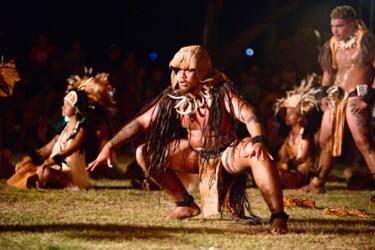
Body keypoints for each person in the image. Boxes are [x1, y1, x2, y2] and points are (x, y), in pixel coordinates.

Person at [88, 45, 288, 234]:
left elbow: (247, 113)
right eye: (177, 69)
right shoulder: (174, 98)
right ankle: (185, 205)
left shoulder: (221, 92)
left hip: (228, 154)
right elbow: (141, 123)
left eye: (188, 70)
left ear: (201, 70)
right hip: (197, 156)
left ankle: (278, 215)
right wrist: (109, 145)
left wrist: (258, 139)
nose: (181, 75)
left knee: (258, 154)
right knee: (145, 152)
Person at [300, 6, 375, 193]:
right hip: (336, 97)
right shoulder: (332, 45)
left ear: (353, 24)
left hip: (357, 95)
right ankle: (317, 183)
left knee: (364, 143)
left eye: (340, 26)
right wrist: (324, 95)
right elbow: (327, 73)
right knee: (326, 141)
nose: (335, 30)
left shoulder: (366, 42)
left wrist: (369, 98)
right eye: (333, 25)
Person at [273, 74, 320, 189]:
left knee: (276, 175)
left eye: (290, 113)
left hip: (301, 175)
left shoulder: (305, 134)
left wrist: (285, 165)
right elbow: (280, 155)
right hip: (289, 171)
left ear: (299, 117)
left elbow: (301, 159)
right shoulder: (290, 135)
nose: (286, 116)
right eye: (286, 113)